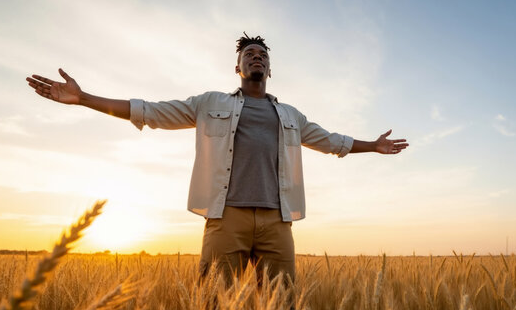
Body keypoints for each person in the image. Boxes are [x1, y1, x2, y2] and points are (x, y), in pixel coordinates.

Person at [25, 33, 409, 286]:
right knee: (212, 308)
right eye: (248, 55)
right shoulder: (211, 104)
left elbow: (331, 142)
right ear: (237, 68)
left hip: (278, 222)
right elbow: (151, 111)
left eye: (262, 55)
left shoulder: (292, 115)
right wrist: (86, 98)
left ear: (269, 70)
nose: (256, 58)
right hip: (226, 219)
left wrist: (372, 145)